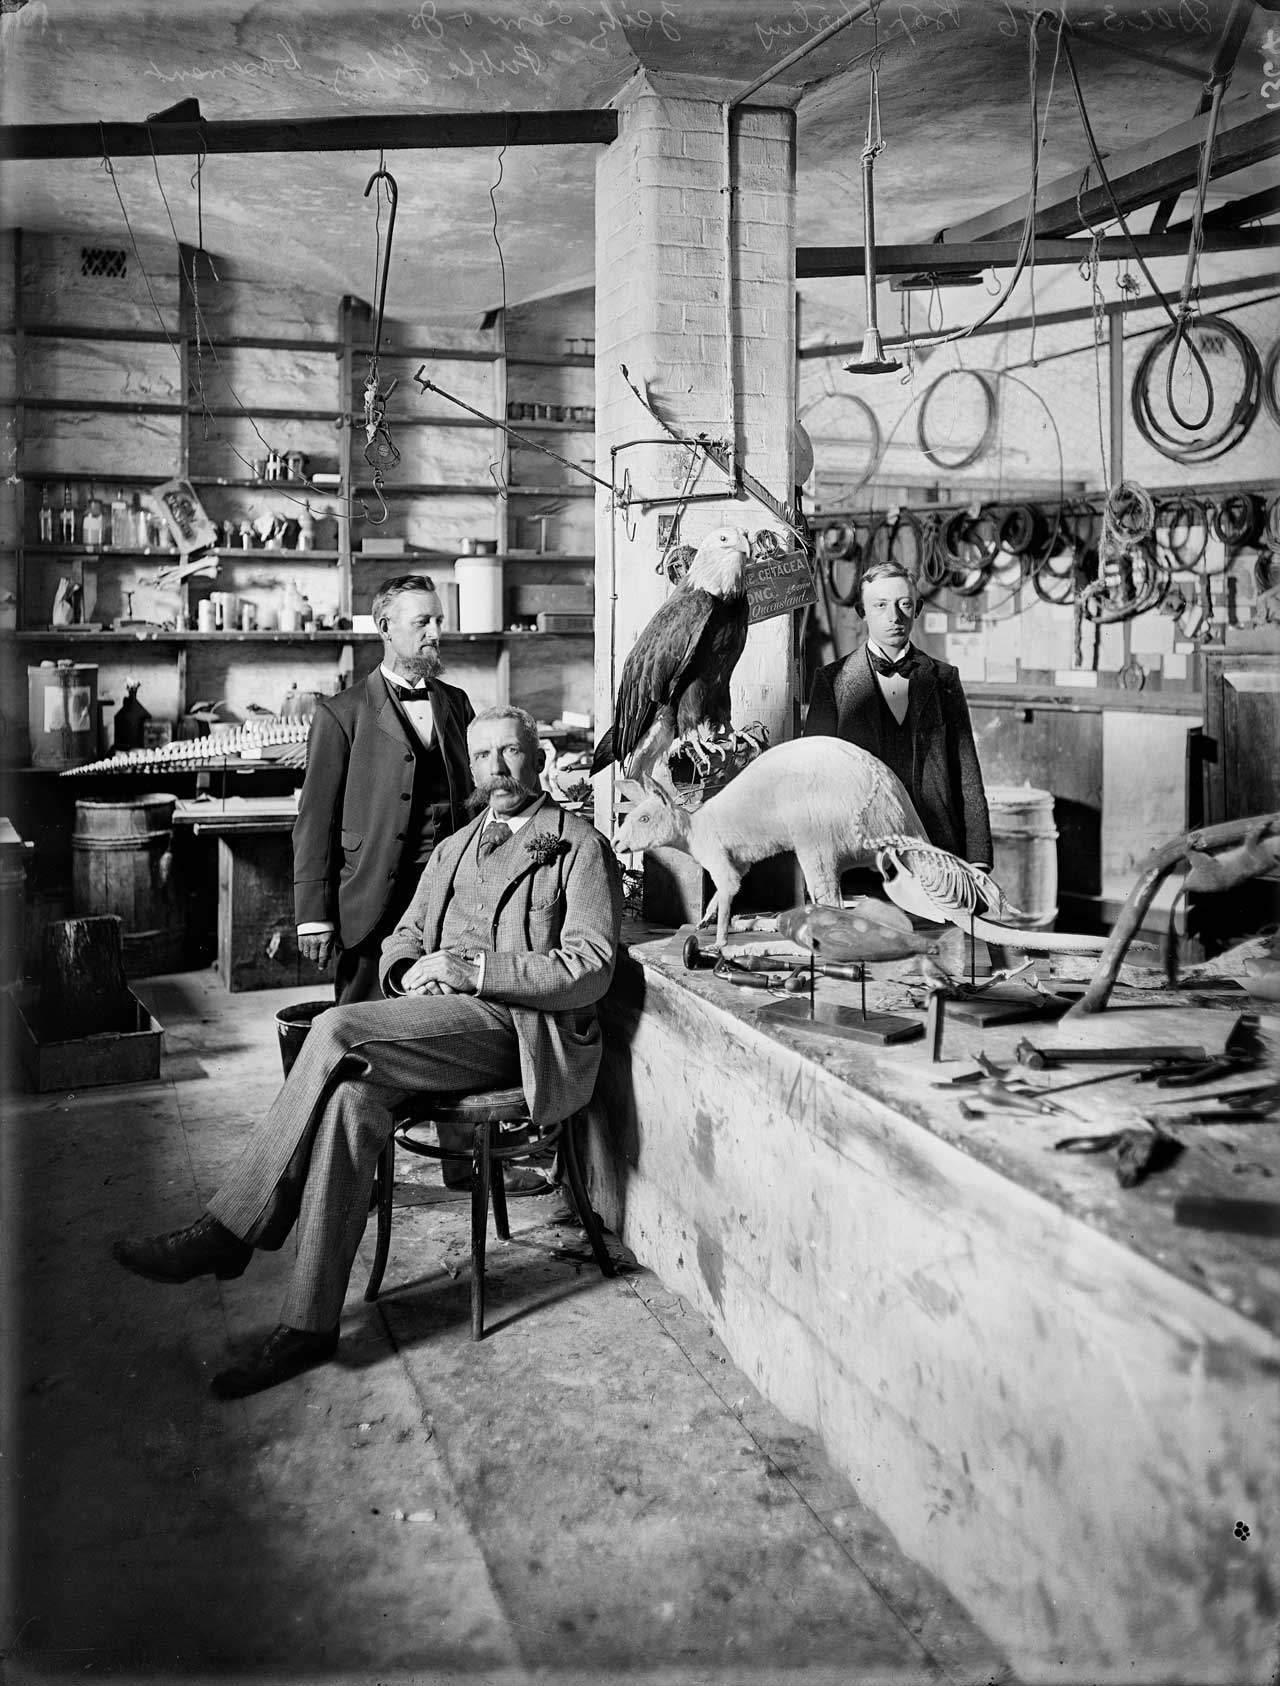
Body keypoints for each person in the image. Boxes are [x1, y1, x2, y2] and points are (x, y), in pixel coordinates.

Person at [113, 707, 624, 1398]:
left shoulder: (578, 846)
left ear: (540, 758)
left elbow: (592, 966)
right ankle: (309, 1325)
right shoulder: (454, 848)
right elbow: (403, 938)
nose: (497, 769)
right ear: (470, 767)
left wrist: (476, 970)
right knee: (351, 1104)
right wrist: (407, 970)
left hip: (521, 1032)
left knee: (335, 1028)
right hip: (436, 1024)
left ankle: (230, 1227)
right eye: (482, 757)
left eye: (511, 752)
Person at [294, 573, 475, 1004]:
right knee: (360, 1020)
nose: (435, 633)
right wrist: (312, 918)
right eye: (422, 623)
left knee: (439, 1016)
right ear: (385, 628)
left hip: (449, 895)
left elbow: (473, 799)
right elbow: (315, 820)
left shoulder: (458, 703)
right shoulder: (340, 714)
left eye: (439, 621)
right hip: (373, 894)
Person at [803, 560, 992, 867]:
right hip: (860, 853)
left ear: (917, 609)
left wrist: (979, 859)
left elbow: (967, 774)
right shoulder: (832, 681)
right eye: (880, 605)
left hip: (936, 851)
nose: (894, 616)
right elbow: (815, 781)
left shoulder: (943, 679)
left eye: (904, 604)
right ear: (862, 612)